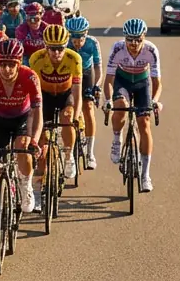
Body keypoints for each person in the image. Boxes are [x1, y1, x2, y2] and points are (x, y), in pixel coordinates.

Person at [0, 39, 43, 249]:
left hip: (22, 119)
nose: (6, 69)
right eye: (2, 64)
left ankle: (26, 184)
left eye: (11, 64)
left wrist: (34, 139)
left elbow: (37, 112)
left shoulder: (29, 76)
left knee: (23, 147)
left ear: (19, 62)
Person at [103, 18, 162, 193]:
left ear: (144, 37)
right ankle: (116, 139)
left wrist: (155, 100)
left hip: (142, 83)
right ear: (125, 38)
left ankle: (145, 175)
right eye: (130, 39)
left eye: (138, 39)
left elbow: (156, 81)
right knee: (120, 105)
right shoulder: (117, 49)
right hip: (123, 81)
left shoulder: (151, 50)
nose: (134, 43)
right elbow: (109, 80)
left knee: (144, 124)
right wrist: (107, 100)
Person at [28, 25, 84, 185]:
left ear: (66, 46)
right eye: (52, 49)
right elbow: (34, 92)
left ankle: (69, 155)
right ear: (46, 46)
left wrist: (76, 116)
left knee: (68, 118)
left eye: (60, 48)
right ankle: (40, 177)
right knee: (41, 138)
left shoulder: (74, 59)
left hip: (65, 95)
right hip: (44, 96)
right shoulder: (36, 59)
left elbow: (77, 92)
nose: (56, 52)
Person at [65, 17, 102, 170]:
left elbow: (98, 69)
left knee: (88, 107)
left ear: (86, 34)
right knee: (68, 107)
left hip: (87, 73)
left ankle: (90, 153)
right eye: (74, 36)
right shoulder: (65, 44)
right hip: (68, 73)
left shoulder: (93, 43)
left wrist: (97, 86)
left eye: (80, 37)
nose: (77, 40)